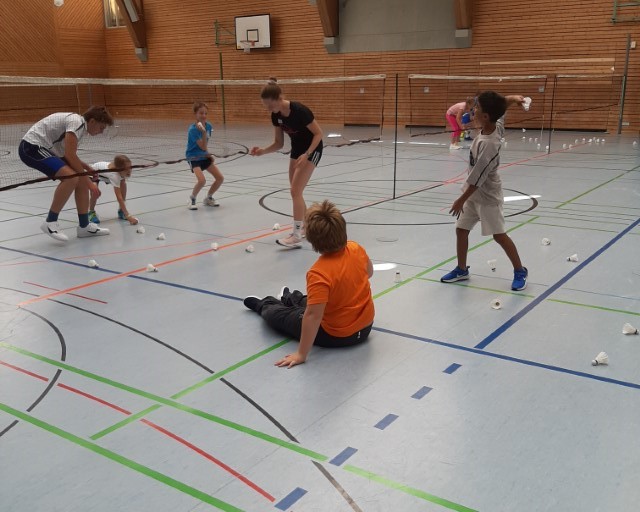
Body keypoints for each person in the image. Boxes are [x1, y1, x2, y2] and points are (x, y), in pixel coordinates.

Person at [243, 200, 375, 368]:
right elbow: (369, 273)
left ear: (312, 240)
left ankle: (265, 304)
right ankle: (291, 297)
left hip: (336, 336)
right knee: (316, 300)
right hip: (365, 327)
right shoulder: (356, 248)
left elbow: (313, 317)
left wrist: (301, 354)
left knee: (280, 316)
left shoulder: (319, 272)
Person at [441, 91, 529, 291]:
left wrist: (460, 200)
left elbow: (478, 178)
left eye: (477, 108)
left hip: (487, 196)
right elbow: (502, 107)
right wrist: (514, 98)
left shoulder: (490, 144)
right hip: (473, 195)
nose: (473, 110)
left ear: (486, 116)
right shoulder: (495, 124)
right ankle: (461, 269)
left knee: (499, 235)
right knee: (461, 229)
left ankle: (520, 270)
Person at [18, 106, 114, 241]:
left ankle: (84, 226)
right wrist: (89, 183)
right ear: (92, 121)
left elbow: (67, 155)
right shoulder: (77, 122)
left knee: (80, 180)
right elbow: (70, 155)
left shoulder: (79, 128)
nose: (101, 132)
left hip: (44, 149)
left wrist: (87, 168)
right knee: (71, 178)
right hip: (31, 147)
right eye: (101, 127)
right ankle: (50, 222)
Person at [250, 78, 324, 249]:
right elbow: (279, 143)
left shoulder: (300, 111)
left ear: (279, 98)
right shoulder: (276, 116)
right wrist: (262, 151)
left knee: (295, 191)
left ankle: (296, 235)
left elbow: (319, 134)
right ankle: (307, 227)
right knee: (296, 191)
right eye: (266, 106)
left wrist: (307, 154)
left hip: (312, 149)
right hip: (297, 150)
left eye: (270, 105)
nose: (269, 109)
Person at [185, 101, 224, 210]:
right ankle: (192, 199)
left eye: (205, 113)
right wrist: (202, 132)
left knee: (220, 178)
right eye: (201, 113)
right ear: (195, 114)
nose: (204, 115)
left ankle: (208, 198)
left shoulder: (209, 126)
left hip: (203, 155)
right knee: (202, 180)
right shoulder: (193, 130)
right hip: (193, 157)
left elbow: (205, 145)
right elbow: (202, 146)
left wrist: (207, 154)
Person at [88, 155, 138, 225]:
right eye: (126, 169)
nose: (129, 171)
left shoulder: (119, 171)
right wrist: (128, 216)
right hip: (93, 172)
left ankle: (121, 211)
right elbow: (119, 197)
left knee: (123, 183)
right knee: (95, 193)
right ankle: (91, 212)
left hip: (105, 174)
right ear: (119, 169)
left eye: (130, 168)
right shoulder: (114, 175)